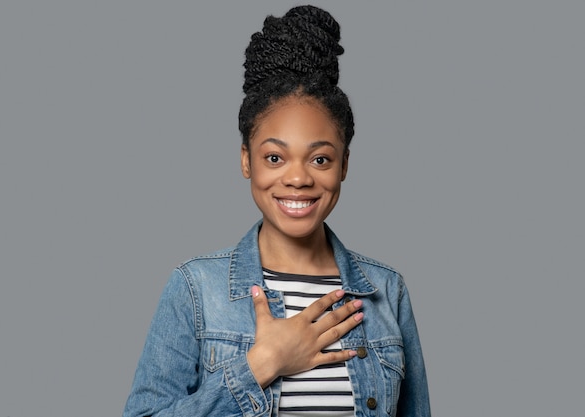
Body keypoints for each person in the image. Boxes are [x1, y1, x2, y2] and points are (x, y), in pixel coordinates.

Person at [123, 5, 430, 417]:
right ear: (246, 160)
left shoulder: (386, 293)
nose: (298, 179)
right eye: (274, 158)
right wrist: (262, 365)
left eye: (320, 159)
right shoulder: (196, 290)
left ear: (344, 165)